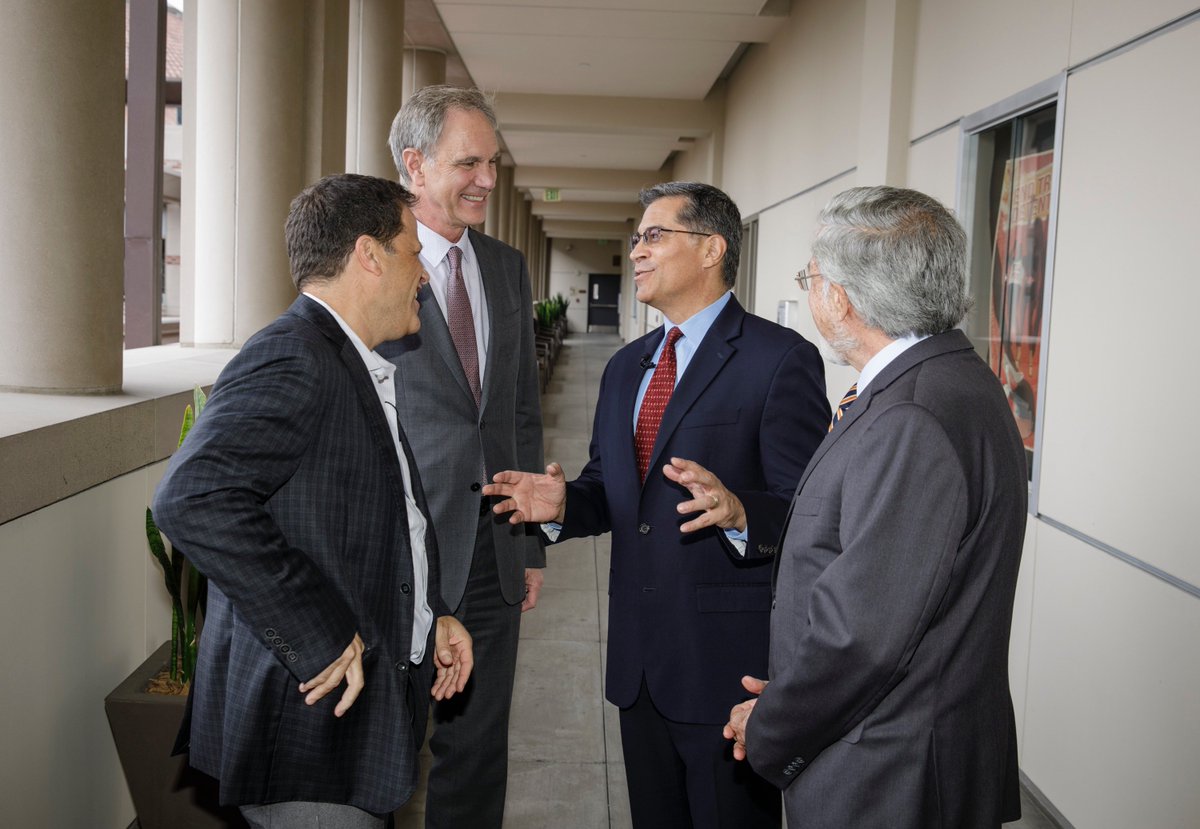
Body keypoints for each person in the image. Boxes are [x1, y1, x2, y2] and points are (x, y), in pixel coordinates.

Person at [485, 181, 829, 828]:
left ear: (711, 249)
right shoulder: (626, 368)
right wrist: (563, 503)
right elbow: (614, 493)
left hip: (727, 669)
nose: (636, 252)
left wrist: (740, 510)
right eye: (636, 238)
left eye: (654, 236)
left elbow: (809, 514)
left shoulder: (779, 361)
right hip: (638, 666)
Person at [152, 174, 473, 829]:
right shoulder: (293, 353)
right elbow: (191, 497)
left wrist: (430, 614)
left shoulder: (348, 359)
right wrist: (316, 634)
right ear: (369, 254)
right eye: (414, 252)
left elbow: (370, 518)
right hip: (312, 734)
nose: (425, 275)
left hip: (359, 724)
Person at [722, 186, 1028, 828]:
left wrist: (772, 725)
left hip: (889, 772)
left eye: (810, 277)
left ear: (842, 296)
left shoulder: (911, 414)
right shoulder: (956, 379)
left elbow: (862, 637)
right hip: (914, 748)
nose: (809, 292)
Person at [378, 85, 544, 829]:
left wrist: (530, 539)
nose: (487, 179)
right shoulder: (372, 263)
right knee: (387, 743)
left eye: (494, 162)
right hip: (399, 551)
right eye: (468, 162)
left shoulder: (507, 268)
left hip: (492, 550)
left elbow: (517, 413)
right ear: (414, 165)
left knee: (477, 748)